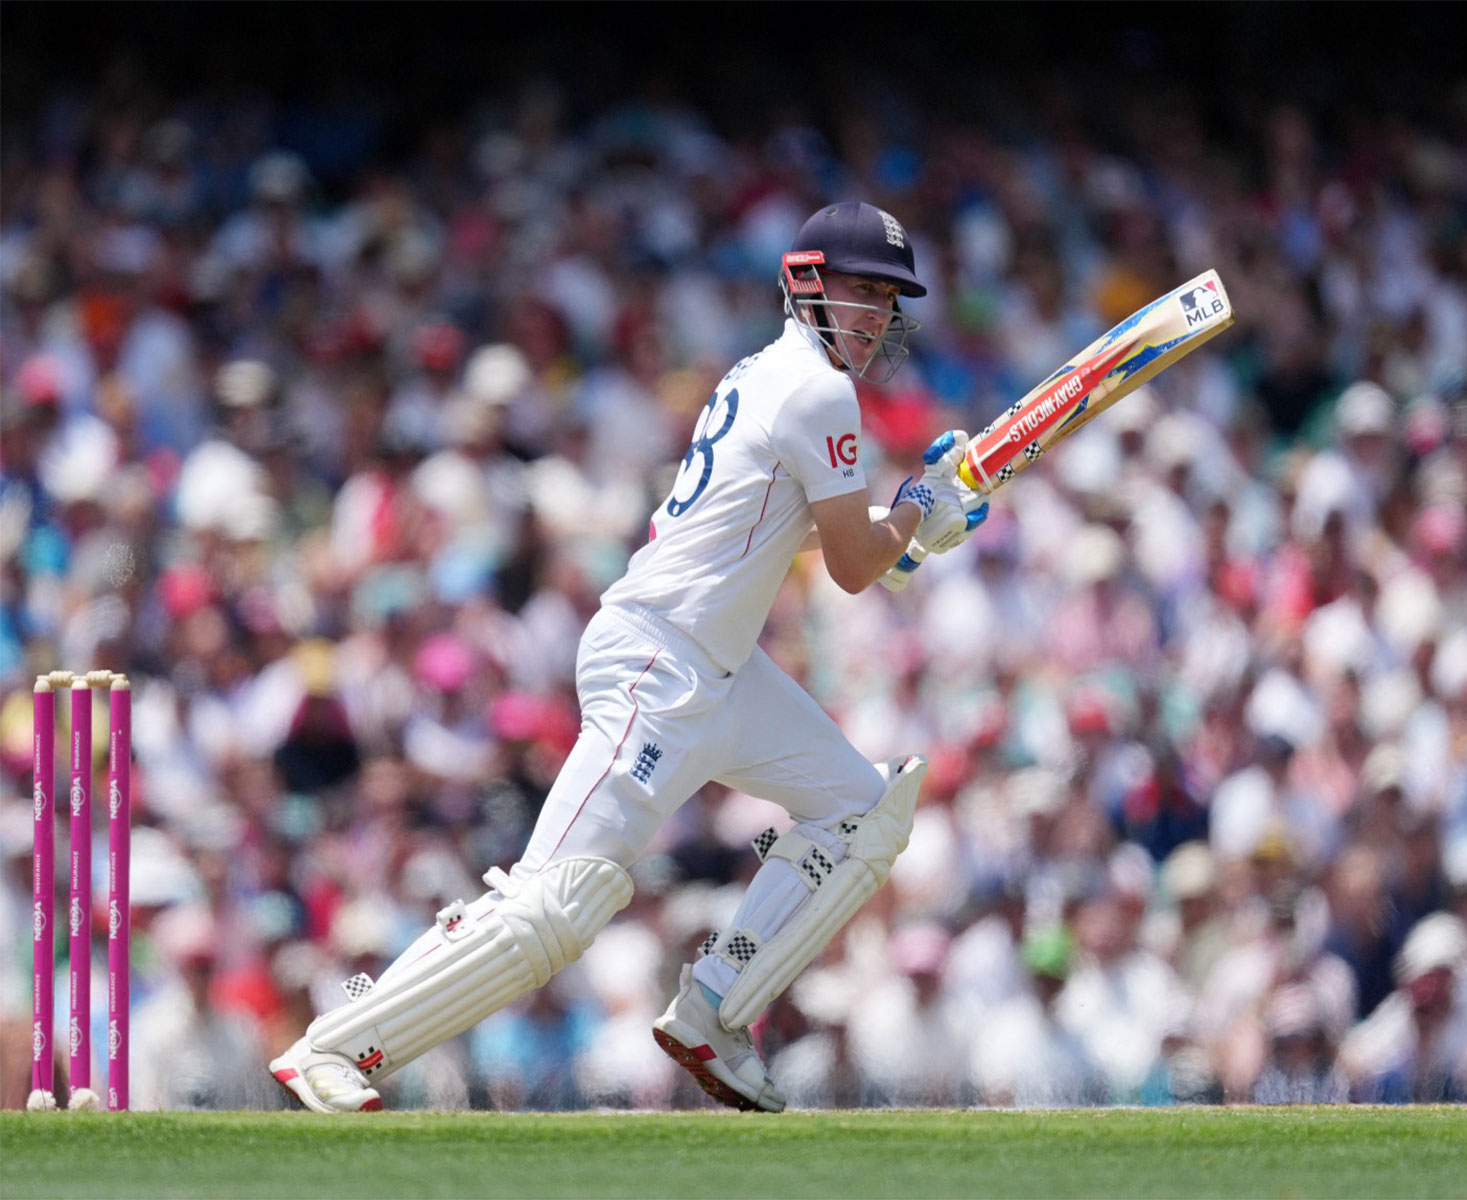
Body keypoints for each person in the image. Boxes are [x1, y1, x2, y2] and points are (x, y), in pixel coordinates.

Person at [268, 201, 989, 1113]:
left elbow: (784, 532)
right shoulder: (815, 389)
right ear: (803, 283)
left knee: (862, 811)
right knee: (558, 902)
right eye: (859, 289)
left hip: (717, 670)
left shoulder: (768, 375)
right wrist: (920, 517)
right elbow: (855, 567)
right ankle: (337, 1046)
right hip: (661, 660)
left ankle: (715, 1013)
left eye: (888, 298)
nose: (875, 314)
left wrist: (915, 521)